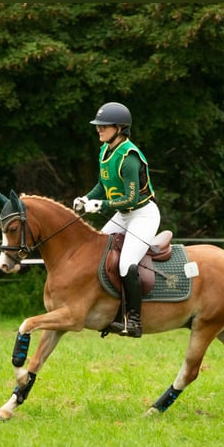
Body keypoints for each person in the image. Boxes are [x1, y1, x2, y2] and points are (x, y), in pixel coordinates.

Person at [73, 102, 160, 338]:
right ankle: (107, 309)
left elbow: (131, 199)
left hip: (142, 215)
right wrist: (87, 198)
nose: (99, 130)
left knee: (125, 263)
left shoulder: (129, 157)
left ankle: (134, 321)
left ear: (120, 128)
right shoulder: (106, 150)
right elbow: (103, 184)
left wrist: (102, 205)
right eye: (98, 126)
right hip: (122, 215)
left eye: (104, 126)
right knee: (98, 252)